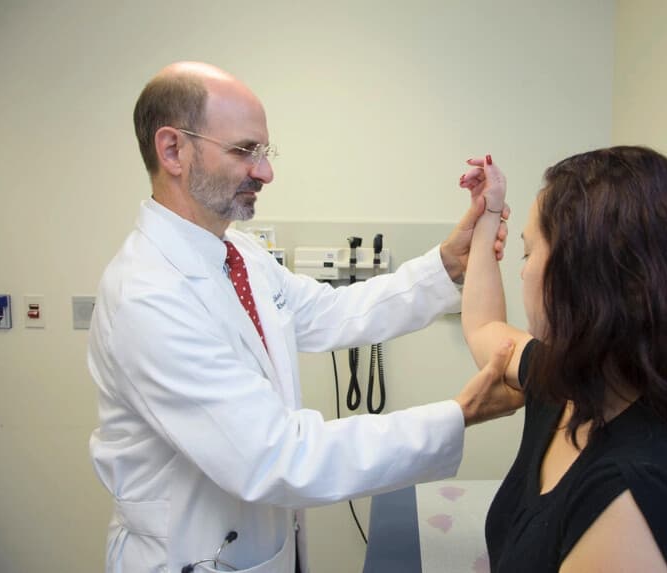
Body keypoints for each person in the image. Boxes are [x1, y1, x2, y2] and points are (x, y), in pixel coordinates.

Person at [87, 61, 521, 573]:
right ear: (173, 150)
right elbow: (278, 457)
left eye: (264, 152)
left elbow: (334, 311)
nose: (265, 171)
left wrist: (446, 263)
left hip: (262, 546)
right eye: (244, 150)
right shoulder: (147, 297)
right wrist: (459, 413)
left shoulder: (237, 256)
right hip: (192, 556)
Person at [458, 147, 667, 572]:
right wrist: (488, 215)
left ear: (583, 277)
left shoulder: (633, 498)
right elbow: (484, 328)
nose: (522, 272)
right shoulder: (571, 380)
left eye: (528, 253)